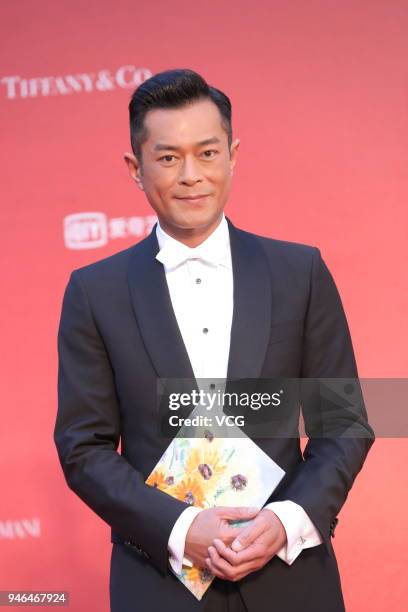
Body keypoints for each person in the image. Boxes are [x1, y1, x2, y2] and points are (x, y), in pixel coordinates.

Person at [54, 68, 375, 612]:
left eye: (207, 153)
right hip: (159, 583)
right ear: (136, 168)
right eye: (168, 157)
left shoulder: (300, 271)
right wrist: (179, 528)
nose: (191, 176)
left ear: (233, 155)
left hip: (291, 579)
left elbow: (343, 422)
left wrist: (285, 520)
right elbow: (83, 448)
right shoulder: (95, 292)